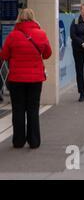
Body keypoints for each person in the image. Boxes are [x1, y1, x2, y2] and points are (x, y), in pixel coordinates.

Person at [0, 9, 52, 149]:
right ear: (33, 18)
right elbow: (47, 54)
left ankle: (18, 141)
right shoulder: (41, 34)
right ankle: (34, 141)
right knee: (33, 109)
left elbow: (4, 55)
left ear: (19, 19)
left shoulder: (12, 35)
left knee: (18, 109)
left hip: (16, 79)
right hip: (35, 79)